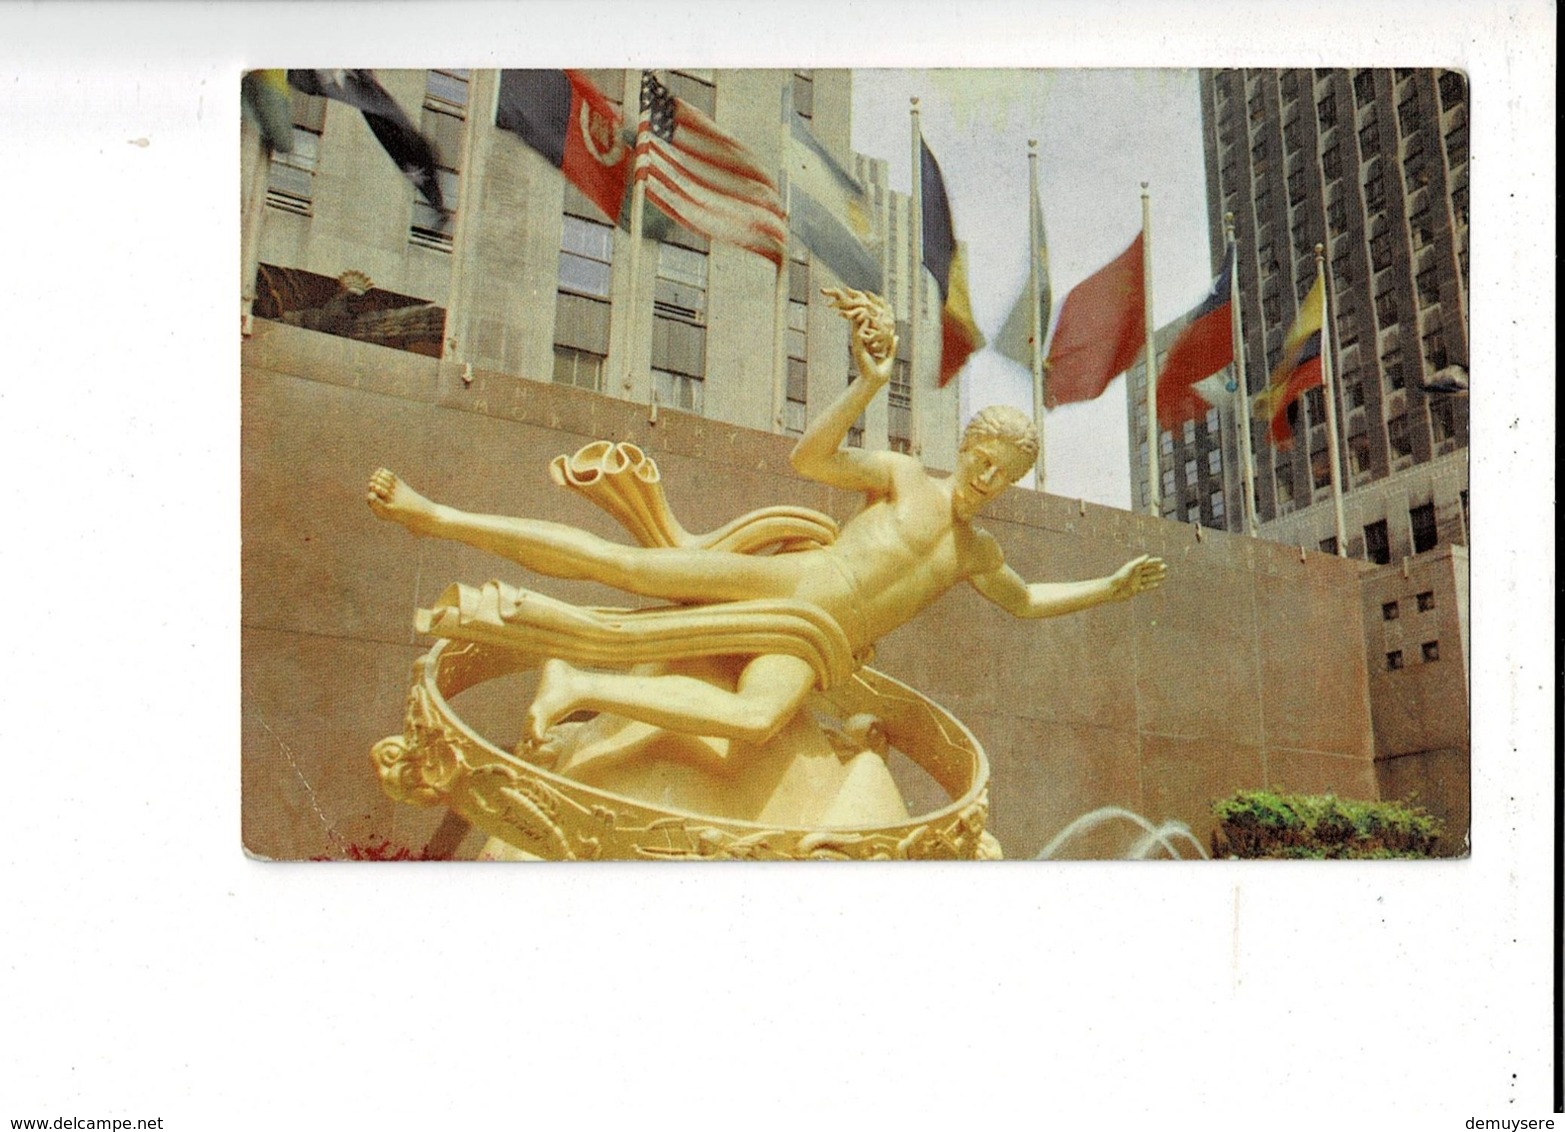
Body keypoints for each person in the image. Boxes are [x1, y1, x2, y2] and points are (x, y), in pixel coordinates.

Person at [368, 287, 1165, 749]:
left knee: (752, 721)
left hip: (816, 644)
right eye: (986, 461)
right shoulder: (900, 475)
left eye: (1008, 475)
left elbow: (1026, 603)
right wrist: (863, 387)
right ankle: (435, 515)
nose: (990, 480)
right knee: (631, 567)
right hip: (792, 581)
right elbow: (808, 464)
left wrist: (1109, 586)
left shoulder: (974, 552)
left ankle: (579, 681)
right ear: (967, 449)